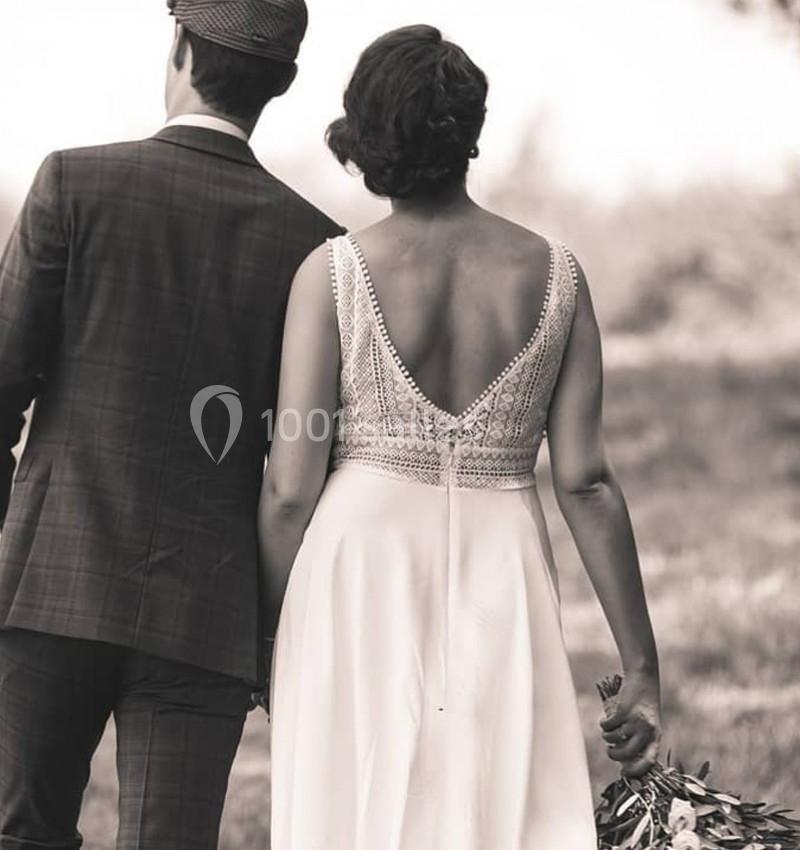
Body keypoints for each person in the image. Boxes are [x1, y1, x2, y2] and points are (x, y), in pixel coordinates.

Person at [259, 25, 662, 850]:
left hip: (358, 567)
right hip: (501, 562)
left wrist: (264, 633)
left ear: (369, 134)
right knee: (499, 804)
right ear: (471, 132)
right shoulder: (557, 275)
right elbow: (585, 482)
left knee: (360, 802)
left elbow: (290, 487)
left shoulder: (331, 274)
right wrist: (642, 664)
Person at [0, 1, 340, 847]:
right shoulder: (317, 246)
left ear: (177, 46)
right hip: (207, 611)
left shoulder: (73, 182)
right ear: (283, 83)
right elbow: (306, 456)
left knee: (31, 836)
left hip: (54, 579)